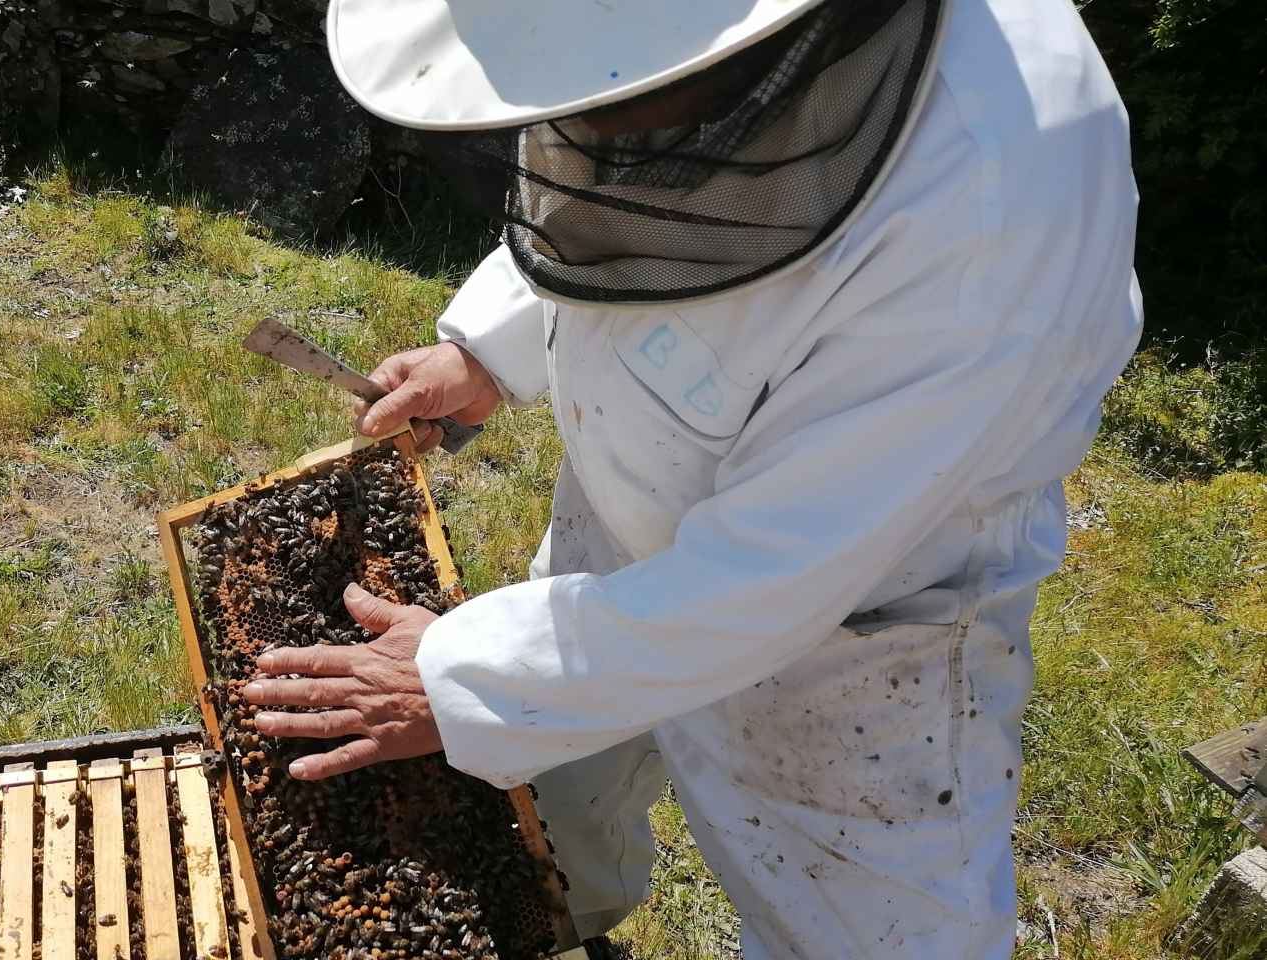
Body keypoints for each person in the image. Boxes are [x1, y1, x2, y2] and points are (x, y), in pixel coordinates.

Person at [241, 0, 1143, 955]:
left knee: (863, 935)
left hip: (860, 636)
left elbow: (776, 577)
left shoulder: (991, 202)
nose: (584, 125)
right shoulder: (669, 74)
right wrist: (493, 349)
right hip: (632, 506)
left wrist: (472, 682)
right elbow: (617, 192)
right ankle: (550, 923)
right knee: (548, 803)